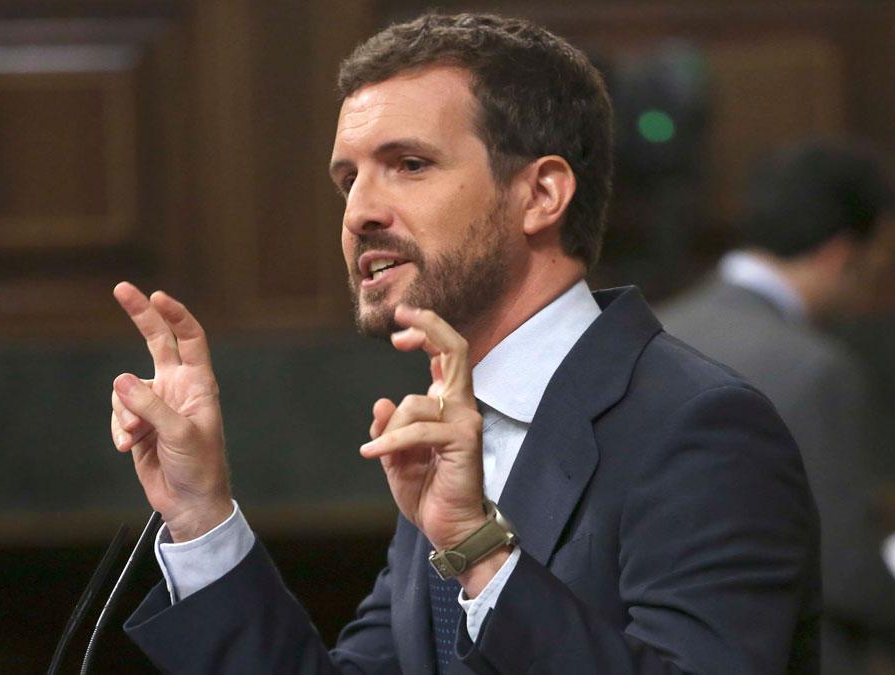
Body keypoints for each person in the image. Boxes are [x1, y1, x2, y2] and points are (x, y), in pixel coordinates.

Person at [110, 12, 820, 673]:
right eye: (347, 179)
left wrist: (479, 550)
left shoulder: (701, 426)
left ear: (541, 194)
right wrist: (200, 513)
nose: (359, 212)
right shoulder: (451, 426)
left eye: (410, 165)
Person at [661, 140, 895, 672]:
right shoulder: (814, 368)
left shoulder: (652, 328)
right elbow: (836, 556)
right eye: (879, 261)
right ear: (842, 255)